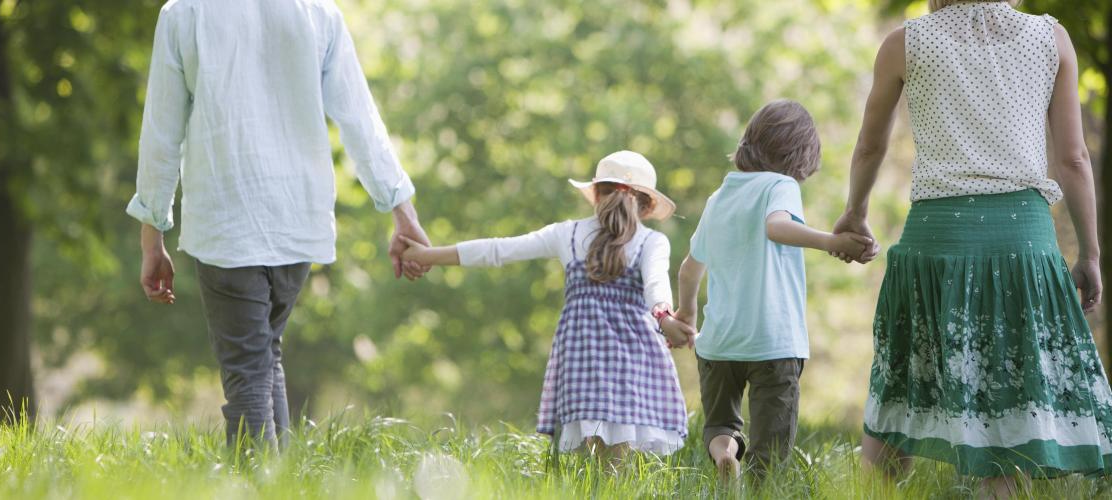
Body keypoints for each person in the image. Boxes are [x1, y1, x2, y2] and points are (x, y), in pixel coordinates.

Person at [832, 0, 1111, 496]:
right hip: (1022, 243)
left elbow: (870, 146)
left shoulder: (904, 43)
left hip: (934, 242)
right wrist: (1089, 254)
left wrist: (855, 212)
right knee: (1008, 399)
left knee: (901, 387)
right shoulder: (1052, 39)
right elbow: (1073, 157)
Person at [127, 0, 431, 450]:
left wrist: (152, 232)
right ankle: (286, 485)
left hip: (226, 218)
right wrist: (401, 209)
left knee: (249, 373)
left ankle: (259, 487)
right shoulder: (318, 11)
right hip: (297, 219)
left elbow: (161, 129)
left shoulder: (184, 13)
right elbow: (360, 117)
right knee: (264, 357)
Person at [400, 151, 693, 458]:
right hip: (633, 358)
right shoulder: (652, 242)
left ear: (595, 194)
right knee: (620, 459)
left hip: (583, 357)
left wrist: (426, 255)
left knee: (591, 460)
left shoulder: (567, 234)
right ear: (646, 206)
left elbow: (498, 250)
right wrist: (665, 319)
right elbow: (656, 287)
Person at [671, 100, 872, 477]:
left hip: (719, 344)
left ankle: (724, 454)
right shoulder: (780, 185)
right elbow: (776, 227)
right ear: (801, 153)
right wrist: (833, 242)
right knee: (772, 446)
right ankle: (762, 486)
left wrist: (687, 313)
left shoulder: (720, 197)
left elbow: (688, 269)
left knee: (719, 425)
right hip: (773, 341)